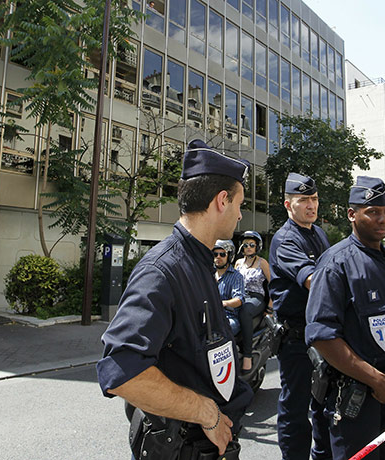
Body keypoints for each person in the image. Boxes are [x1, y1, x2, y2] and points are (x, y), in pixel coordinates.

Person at [97, 139, 253, 458]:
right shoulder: (163, 270)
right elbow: (121, 371)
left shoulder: (199, 261)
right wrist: (206, 413)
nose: (240, 216)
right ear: (222, 200)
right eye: (239, 204)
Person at [306, 176, 385, 460]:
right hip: (354, 402)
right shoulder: (335, 263)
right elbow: (322, 336)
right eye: (373, 212)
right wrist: (377, 381)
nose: (383, 219)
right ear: (352, 214)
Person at [269, 172, 331, 460]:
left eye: (315, 199)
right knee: (296, 410)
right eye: (304, 199)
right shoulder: (285, 239)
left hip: (320, 336)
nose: (311, 205)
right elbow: (314, 280)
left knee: (324, 407)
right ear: (288, 204)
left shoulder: (318, 233)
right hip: (296, 340)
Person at [234, 231, 270, 372]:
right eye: (245, 245)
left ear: (257, 247)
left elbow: (273, 285)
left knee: (245, 311)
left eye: (251, 245)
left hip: (256, 298)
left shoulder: (262, 263)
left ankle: (247, 356)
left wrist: (271, 308)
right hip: (240, 296)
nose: (248, 247)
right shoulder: (238, 263)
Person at [214, 239, 245, 336]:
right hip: (210, 315)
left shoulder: (236, 276)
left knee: (219, 334)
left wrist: (223, 303)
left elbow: (239, 299)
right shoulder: (208, 274)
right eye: (215, 254)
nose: (218, 257)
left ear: (229, 256)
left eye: (222, 254)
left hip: (228, 317)